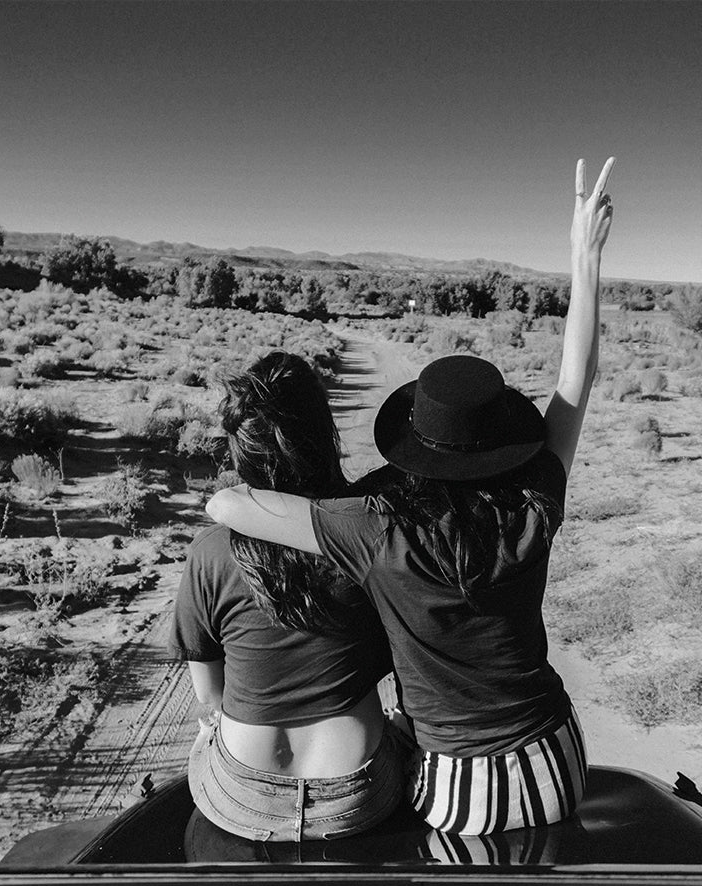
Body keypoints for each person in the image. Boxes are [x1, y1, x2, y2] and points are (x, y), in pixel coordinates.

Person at [205, 158, 615, 835]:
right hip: (558, 760)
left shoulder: (376, 525)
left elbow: (228, 506)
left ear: (415, 443)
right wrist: (585, 254)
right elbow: (578, 378)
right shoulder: (534, 498)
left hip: (461, 790)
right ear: (503, 441)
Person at [172, 351, 404, 842]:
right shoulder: (366, 535)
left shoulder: (210, 551)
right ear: (325, 435)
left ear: (241, 448)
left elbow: (209, 696)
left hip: (241, 795)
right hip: (357, 795)